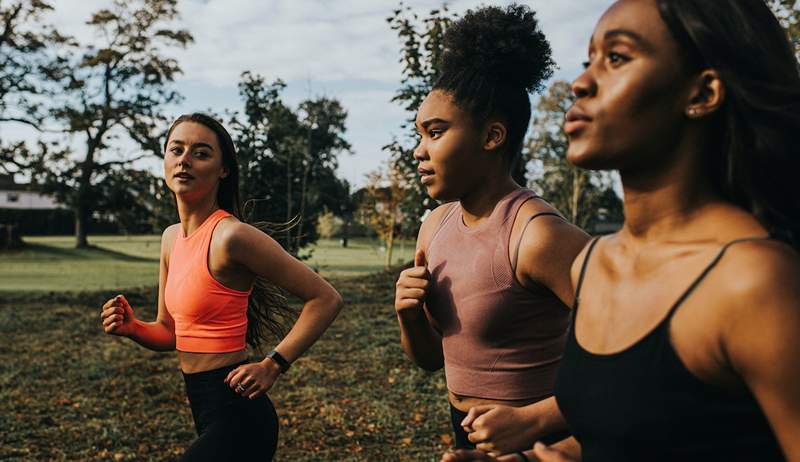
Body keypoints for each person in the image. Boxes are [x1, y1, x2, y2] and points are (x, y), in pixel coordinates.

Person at [443, 0, 800, 461]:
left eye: (617, 58)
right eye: (588, 60)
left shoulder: (752, 281)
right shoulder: (596, 261)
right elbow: (629, 433)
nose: (581, 83)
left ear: (702, 93)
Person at [393, 3, 589, 455]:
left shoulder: (537, 235)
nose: (419, 151)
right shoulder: (435, 226)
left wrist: (539, 418)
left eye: (436, 132)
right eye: (418, 134)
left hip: (543, 440)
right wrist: (408, 316)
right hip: (466, 429)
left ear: (492, 136)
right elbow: (427, 360)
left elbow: (643, 351)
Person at [99, 113, 343, 461]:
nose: (184, 160)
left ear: (223, 169)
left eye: (201, 153)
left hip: (241, 416)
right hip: (204, 408)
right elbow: (170, 332)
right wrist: (134, 328)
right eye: (176, 150)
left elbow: (326, 298)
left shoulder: (231, 236)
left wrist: (272, 365)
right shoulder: (171, 238)